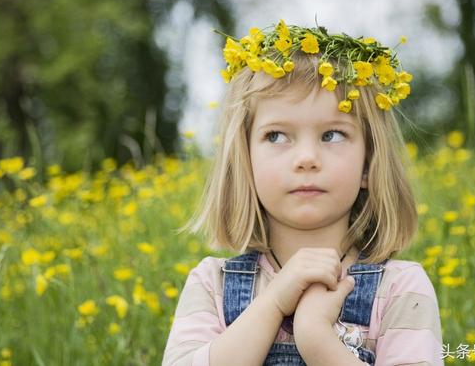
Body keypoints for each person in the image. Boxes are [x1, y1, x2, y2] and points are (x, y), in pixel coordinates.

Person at [162, 20, 443, 366]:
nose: (307, 158)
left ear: (368, 164)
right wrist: (275, 303)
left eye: (332, 135)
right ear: (245, 162)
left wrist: (317, 338)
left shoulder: (399, 288)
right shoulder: (213, 285)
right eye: (277, 136)